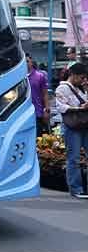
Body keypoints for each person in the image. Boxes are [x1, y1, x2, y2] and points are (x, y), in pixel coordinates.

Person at [56, 62, 88, 199]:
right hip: (72, 127)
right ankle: (76, 189)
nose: (83, 80)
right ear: (73, 75)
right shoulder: (62, 88)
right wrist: (79, 108)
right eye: (81, 77)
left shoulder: (81, 88)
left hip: (85, 125)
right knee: (73, 158)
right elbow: (61, 107)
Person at [27, 54, 49, 137]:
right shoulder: (18, 77)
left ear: (31, 62)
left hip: (37, 112)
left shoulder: (40, 76)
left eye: (27, 61)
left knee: (38, 138)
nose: (26, 63)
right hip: (21, 113)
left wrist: (46, 110)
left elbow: (45, 94)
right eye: (24, 62)